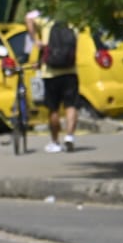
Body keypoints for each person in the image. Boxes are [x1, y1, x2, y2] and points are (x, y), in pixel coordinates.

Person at [25, 9, 79, 153]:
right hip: (70, 71)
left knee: (53, 109)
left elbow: (28, 18)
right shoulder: (73, 23)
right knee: (71, 105)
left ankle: (55, 142)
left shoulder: (46, 21)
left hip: (50, 72)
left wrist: (35, 39)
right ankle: (70, 136)